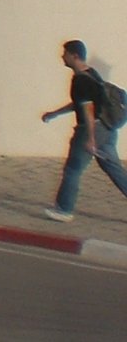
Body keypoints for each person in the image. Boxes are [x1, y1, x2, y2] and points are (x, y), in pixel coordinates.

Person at [42, 39, 127, 222]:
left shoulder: (80, 80)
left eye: (65, 53)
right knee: (114, 170)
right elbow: (79, 104)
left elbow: (87, 109)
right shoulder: (92, 74)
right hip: (107, 129)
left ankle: (64, 210)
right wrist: (55, 113)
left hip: (91, 129)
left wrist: (90, 138)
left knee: (73, 169)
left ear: (74, 56)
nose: (62, 57)